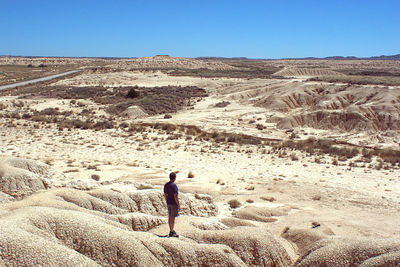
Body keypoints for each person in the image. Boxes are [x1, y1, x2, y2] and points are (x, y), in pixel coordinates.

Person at [164, 172, 180, 237]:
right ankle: (171, 231)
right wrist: (178, 204)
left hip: (169, 203)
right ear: (175, 178)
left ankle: (171, 230)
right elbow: (175, 196)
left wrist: (167, 201)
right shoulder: (174, 185)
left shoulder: (166, 185)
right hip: (173, 203)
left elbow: (165, 194)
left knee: (170, 217)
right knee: (172, 218)